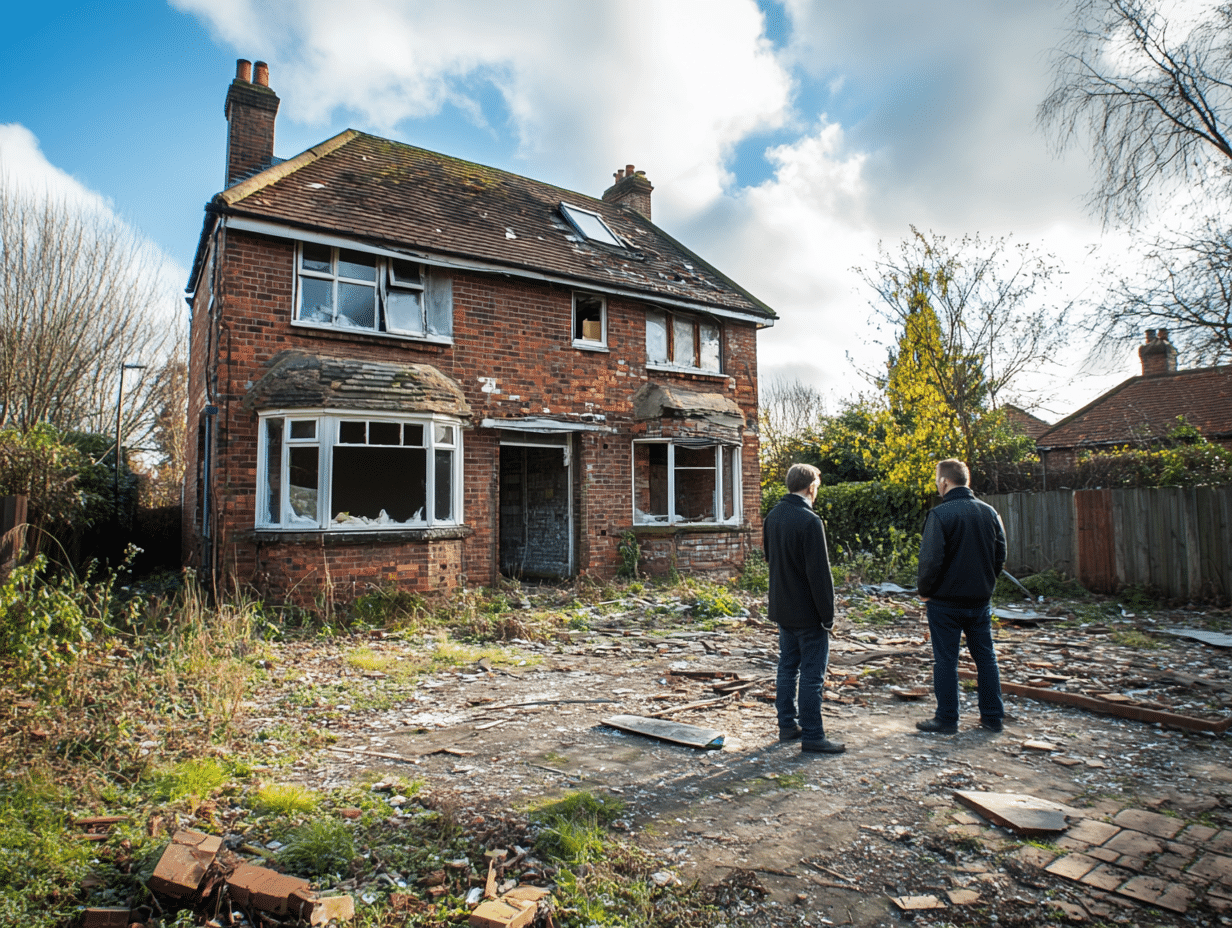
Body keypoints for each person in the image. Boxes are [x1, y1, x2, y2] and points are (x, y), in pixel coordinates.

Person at [915, 459, 1007, 734]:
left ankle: (947, 719)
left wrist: (925, 592)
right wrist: (987, 583)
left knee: (945, 660)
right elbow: (1000, 554)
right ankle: (992, 718)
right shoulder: (989, 512)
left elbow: (931, 561)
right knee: (986, 658)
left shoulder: (940, 515)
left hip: (944, 602)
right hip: (979, 600)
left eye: (936, 480)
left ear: (944, 482)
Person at [763, 463, 845, 754]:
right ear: (811, 487)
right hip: (808, 612)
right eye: (818, 486)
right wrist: (828, 616)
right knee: (812, 675)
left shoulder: (772, 516)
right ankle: (812, 735)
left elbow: (769, 558)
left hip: (782, 608)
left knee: (787, 668)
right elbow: (819, 575)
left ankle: (787, 726)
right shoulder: (810, 521)